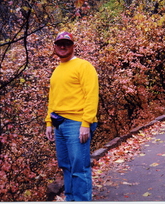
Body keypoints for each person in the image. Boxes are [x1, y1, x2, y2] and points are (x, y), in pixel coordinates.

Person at [45, 31, 99, 201]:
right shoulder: (57, 70)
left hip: (77, 123)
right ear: (54, 47)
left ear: (73, 47)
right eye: (59, 44)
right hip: (59, 123)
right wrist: (49, 123)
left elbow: (91, 95)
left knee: (79, 167)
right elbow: (53, 99)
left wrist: (86, 123)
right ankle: (71, 199)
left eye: (66, 44)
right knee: (66, 167)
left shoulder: (84, 66)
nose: (63, 46)